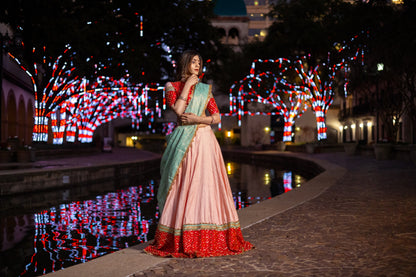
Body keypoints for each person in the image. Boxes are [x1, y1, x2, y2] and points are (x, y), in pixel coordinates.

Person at [144, 50, 253, 258]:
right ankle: (180, 236)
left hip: (205, 141)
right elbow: (177, 109)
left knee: (205, 186)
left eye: (199, 62)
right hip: (182, 143)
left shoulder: (205, 89)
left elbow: (217, 117)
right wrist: (187, 85)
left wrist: (197, 120)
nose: (197, 65)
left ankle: (210, 235)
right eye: (193, 61)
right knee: (182, 185)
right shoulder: (171, 86)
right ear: (184, 64)